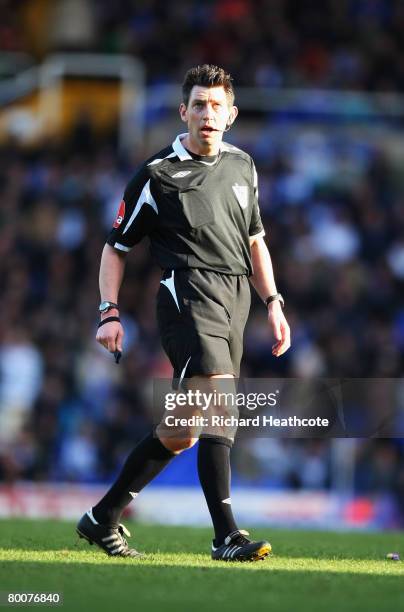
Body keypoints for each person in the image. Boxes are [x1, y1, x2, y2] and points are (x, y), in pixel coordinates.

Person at [76, 64, 291, 561]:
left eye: (217, 106)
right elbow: (115, 247)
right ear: (183, 112)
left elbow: (255, 241)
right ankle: (227, 536)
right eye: (198, 105)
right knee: (221, 401)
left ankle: (101, 518)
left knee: (182, 431)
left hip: (235, 299)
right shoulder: (156, 175)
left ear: (231, 116)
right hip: (185, 295)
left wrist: (274, 303)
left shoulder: (244, 166)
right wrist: (108, 311)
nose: (207, 114)